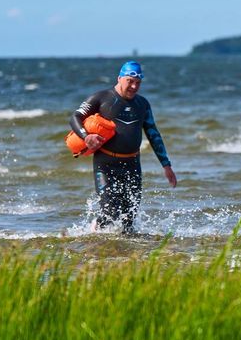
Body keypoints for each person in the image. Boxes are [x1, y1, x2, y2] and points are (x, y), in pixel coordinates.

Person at [70, 61, 177, 233]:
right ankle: (95, 234)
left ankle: (126, 254)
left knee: (129, 219)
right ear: (119, 78)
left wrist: (166, 165)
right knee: (109, 211)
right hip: (105, 165)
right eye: (130, 81)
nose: (134, 86)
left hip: (132, 165)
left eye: (138, 83)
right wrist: (86, 136)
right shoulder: (101, 98)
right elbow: (75, 117)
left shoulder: (142, 104)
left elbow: (153, 134)